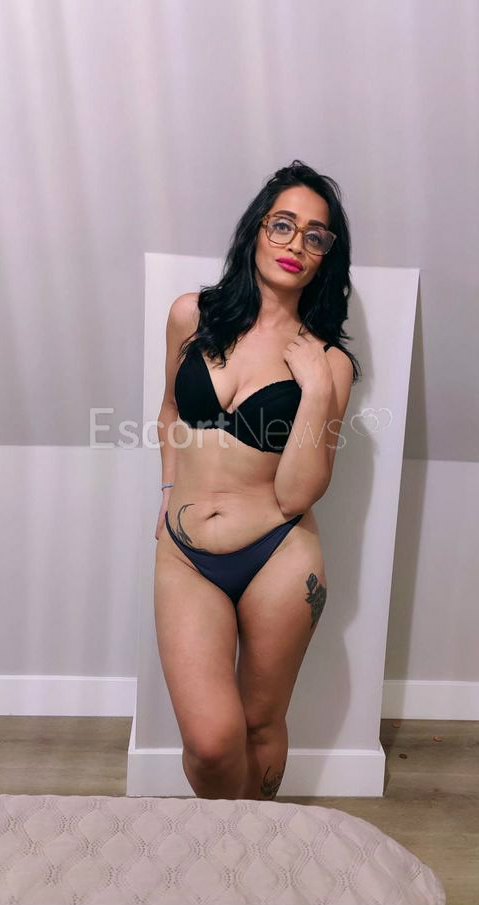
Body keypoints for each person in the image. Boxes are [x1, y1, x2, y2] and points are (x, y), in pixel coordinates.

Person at [153, 159, 361, 801]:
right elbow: (169, 412)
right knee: (213, 742)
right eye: (283, 225)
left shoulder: (328, 362)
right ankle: (224, 844)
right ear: (257, 230)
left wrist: (317, 388)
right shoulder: (191, 315)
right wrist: (167, 495)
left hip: (278, 554)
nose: (296, 243)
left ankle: (258, 846)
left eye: (316, 235)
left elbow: (297, 492)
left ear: (327, 256)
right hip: (185, 555)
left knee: (261, 723)